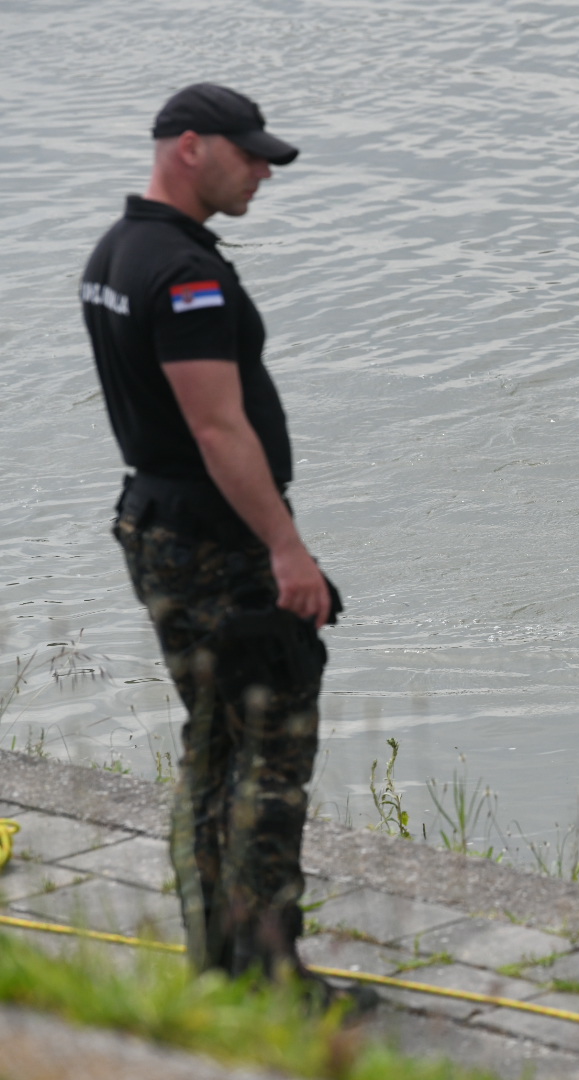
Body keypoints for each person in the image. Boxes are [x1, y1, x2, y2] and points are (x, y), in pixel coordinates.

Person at [79, 83, 363, 1006]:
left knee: (211, 752)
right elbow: (220, 430)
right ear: (190, 146)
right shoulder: (185, 273)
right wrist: (288, 551)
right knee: (269, 759)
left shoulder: (115, 254)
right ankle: (274, 981)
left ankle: (217, 965)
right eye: (250, 157)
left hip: (156, 526)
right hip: (218, 545)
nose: (263, 174)